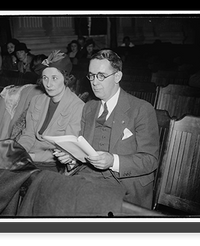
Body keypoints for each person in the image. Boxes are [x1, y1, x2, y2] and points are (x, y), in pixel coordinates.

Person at [54, 49, 160, 209]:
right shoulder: (89, 108)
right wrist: (71, 158)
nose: (94, 82)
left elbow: (150, 160)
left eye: (101, 76)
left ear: (117, 76)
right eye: (91, 75)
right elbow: (85, 151)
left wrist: (113, 161)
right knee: (47, 188)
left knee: (79, 202)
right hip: (89, 177)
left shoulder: (141, 109)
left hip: (123, 184)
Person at [17, 50, 85, 172]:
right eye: (45, 78)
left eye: (54, 78)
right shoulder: (37, 100)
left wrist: (31, 157)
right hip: (29, 157)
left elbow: (66, 151)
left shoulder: (77, 106)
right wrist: (20, 153)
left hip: (52, 164)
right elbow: (28, 135)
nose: (48, 84)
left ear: (65, 79)